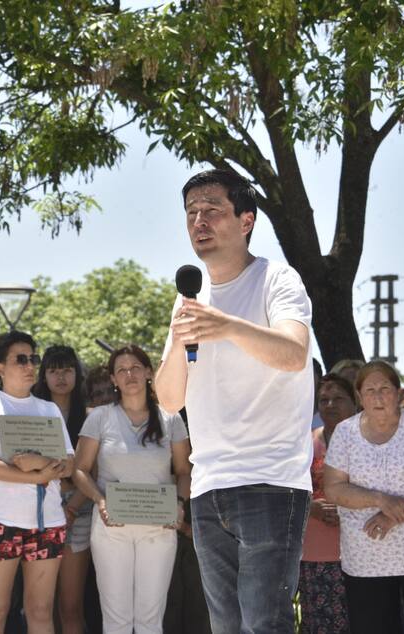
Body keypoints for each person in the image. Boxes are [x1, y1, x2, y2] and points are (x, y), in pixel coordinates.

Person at [155, 168, 313, 634]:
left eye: (212, 210)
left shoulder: (277, 279)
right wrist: (180, 339)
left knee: (265, 624)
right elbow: (169, 399)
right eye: (191, 212)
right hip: (208, 485)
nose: (199, 221)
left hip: (270, 479)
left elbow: (294, 353)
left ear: (246, 220)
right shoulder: (189, 298)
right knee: (226, 627)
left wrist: (225, 326)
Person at [323, 360, 404, 633]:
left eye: (384, 388)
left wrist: (393, 517)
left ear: (398, 393)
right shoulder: (345, 433)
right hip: (366, 559)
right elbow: (334, 488)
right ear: (359, 396)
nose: (378, 396)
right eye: (370, 390)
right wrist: (380, 499)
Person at [73, 345, 191, 633]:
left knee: (151, 620)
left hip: (159, 528)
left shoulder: (171, 418)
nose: (130, 375)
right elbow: (79, 470)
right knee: (117, 621)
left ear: (149, 372)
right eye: (122, 370)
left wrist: (179, 503)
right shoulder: (100, 417)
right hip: (111, 528)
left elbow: (184, 471)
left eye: (136, 367)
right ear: (113, 379)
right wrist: (99, 500)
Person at [0, 331, 74, 634]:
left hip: (47, 521)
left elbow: (69, 464)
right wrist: (37, 476)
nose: (30, 366)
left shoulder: (49, 408)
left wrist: (37, 463)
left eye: (33, 359)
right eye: (21, 359)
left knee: (40, 611)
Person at [31, 345, 92, 634]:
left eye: (67, 370)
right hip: (39, 508)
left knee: (70, 606)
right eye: (53, 371)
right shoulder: (32, 413)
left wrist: (72, 508)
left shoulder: (91, 416)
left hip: (79, 509)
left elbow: (94, 472)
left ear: (77, 374)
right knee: (40, 606)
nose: (60, 377)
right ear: (43, 376)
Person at [299, 373, 357, 634]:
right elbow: (289, 488)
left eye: (338, 398)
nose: (330, 405)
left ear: (355, 402)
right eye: (324, 400)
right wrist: (312, 507)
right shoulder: (305, 443)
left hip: (365, 550)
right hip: (316, 551)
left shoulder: (371, 442)